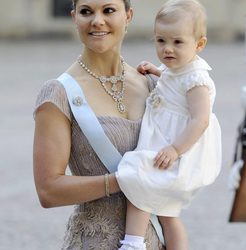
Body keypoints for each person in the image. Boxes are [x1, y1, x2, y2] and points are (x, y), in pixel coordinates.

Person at [33, 0, 165, 249]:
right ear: (74, 18)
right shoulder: (59, 93)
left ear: (128, 15)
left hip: (156, 239)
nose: (97, 20)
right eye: (86, 12)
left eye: (108, 10)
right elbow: (48, 190)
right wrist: (123, 180)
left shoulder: (152, 84)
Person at [115, 0, 222, 249]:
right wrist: (156, 71)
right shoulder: (178, 69)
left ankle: (133, 243)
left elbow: (201, 120)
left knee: (138, 177)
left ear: (200, 44)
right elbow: (174, 85)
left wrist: (175, 149)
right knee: (168, 213)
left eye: (177, 42)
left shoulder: (197, 79)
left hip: (178, 149)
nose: (167, 49)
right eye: (161, 41)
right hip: (166, 142)